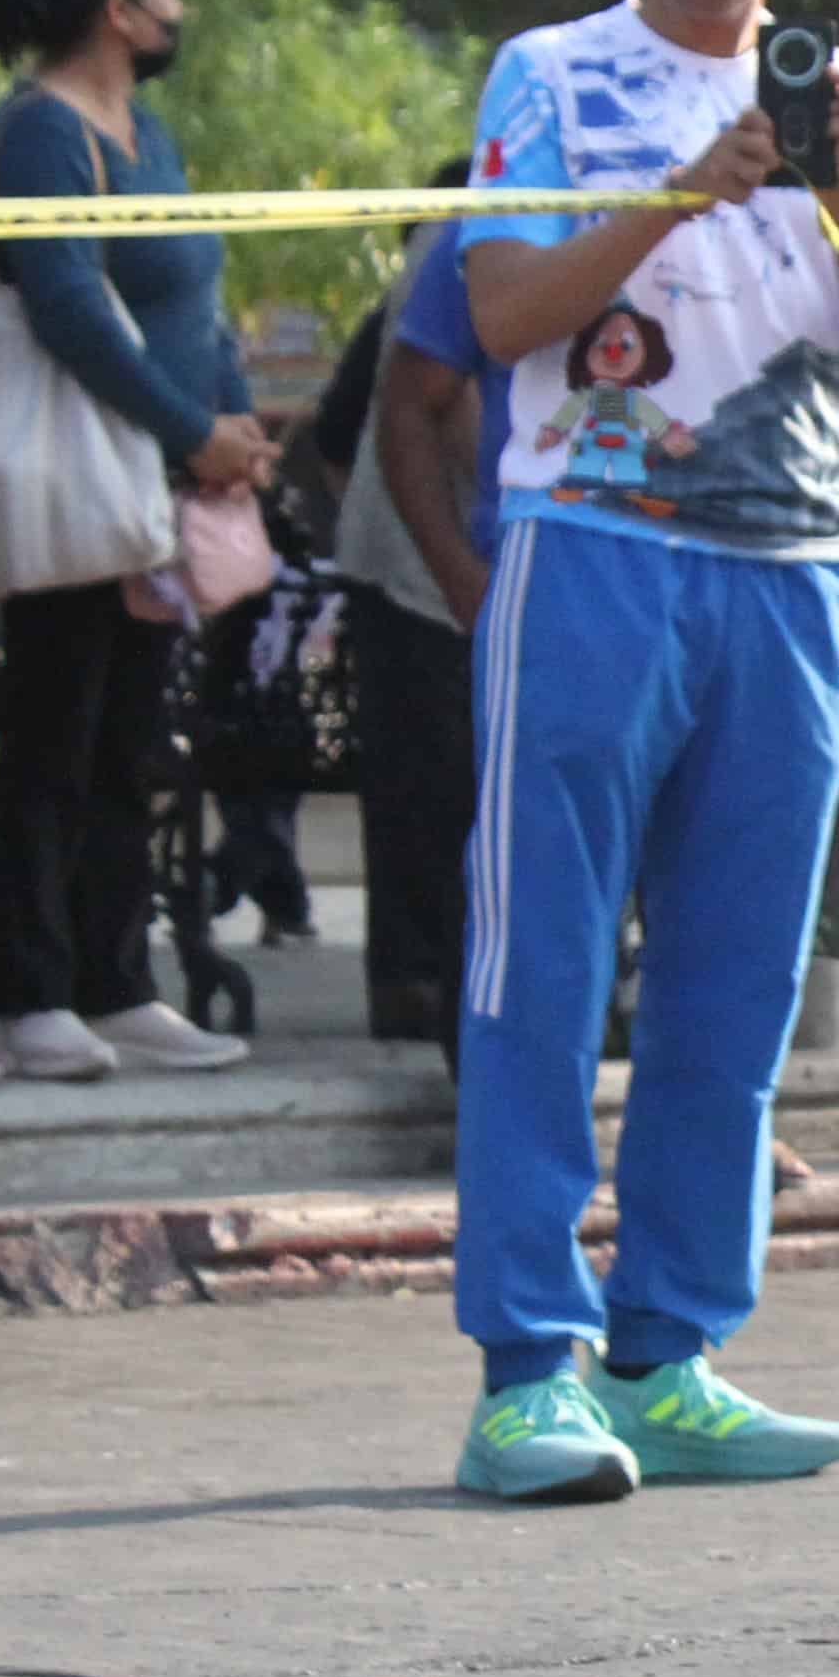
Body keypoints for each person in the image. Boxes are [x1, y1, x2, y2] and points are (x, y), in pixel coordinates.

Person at [442, 0, 839, 1504]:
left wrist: (830, 191)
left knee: (736, 986)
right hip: (593, 546)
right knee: (543, 966)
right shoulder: (549, 74)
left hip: (795, 570)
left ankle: (667, 1354)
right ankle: (527, 1368)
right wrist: (682, 189)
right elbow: (500, 305)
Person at [0, 0, 262, 1085]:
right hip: (84, 472)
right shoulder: (42, 131)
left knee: (130, 737)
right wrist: (188, 425)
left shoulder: (152, 133)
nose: (180, 8)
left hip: (163, 481)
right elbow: (71, 304)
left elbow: (195, 288)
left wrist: (231, 423)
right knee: (55, 725)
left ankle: (116, 976)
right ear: (118, 10)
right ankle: (27, 987)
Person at [336, 186, 493, 1050]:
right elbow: (439, 395)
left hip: (493, 558)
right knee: (432, 785)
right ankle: (418, 986)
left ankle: (433, 983)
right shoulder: (479, 224)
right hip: (425, 558)